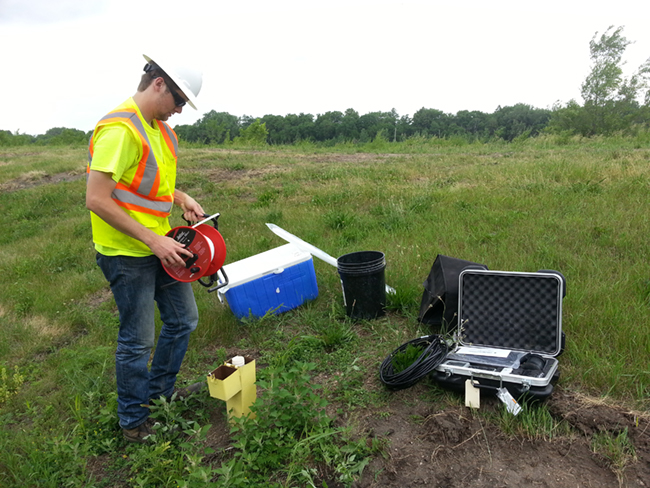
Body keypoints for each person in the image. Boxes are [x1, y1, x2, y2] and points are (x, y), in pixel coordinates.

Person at [86, 54, 205, 443]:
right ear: (158, 84)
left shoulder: (162, 131)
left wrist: (182, 197)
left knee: (183, 320)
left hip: (161, 246)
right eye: (179, 101)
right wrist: (153, 240)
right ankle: (133, 422)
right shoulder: (121, 129)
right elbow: (97, 198)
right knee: (138, 340)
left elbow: (150, 185)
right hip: (128, 252)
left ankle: (159, 396)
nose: (180, 111)